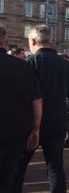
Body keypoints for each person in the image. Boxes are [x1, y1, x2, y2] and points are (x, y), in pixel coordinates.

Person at [13, 24, 69, 193]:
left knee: (19, 167)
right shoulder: (66, 65)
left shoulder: (30, 62)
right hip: (58, 120)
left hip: (32, 123)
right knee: (55, 167)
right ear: (50, 40)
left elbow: (25, 96)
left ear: (33, 41)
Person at [0, 26, 42, 193]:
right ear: (6, 42)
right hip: (15, 132)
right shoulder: (24, 67)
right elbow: (37, 101)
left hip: (14, 132)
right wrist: (36, 129)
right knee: (9, 178)